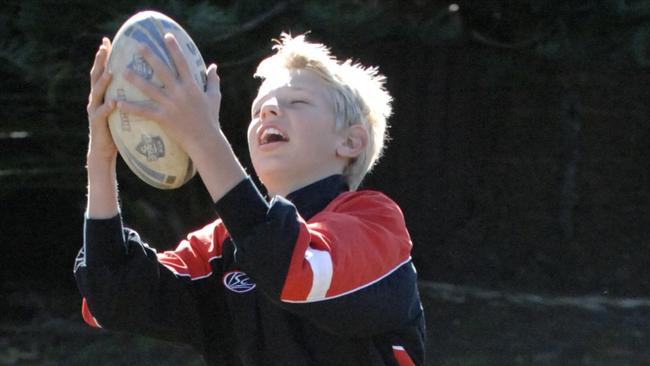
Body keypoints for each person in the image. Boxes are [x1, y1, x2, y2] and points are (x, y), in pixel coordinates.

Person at [75, 31, 426, 365]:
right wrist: (102, 157)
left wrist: (203, 138)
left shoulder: (375, 222)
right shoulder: (219, 245)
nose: (269, 111)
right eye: (259, 109)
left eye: (297, 101)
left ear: (350, 142)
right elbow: (112, 297)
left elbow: (290, 267)